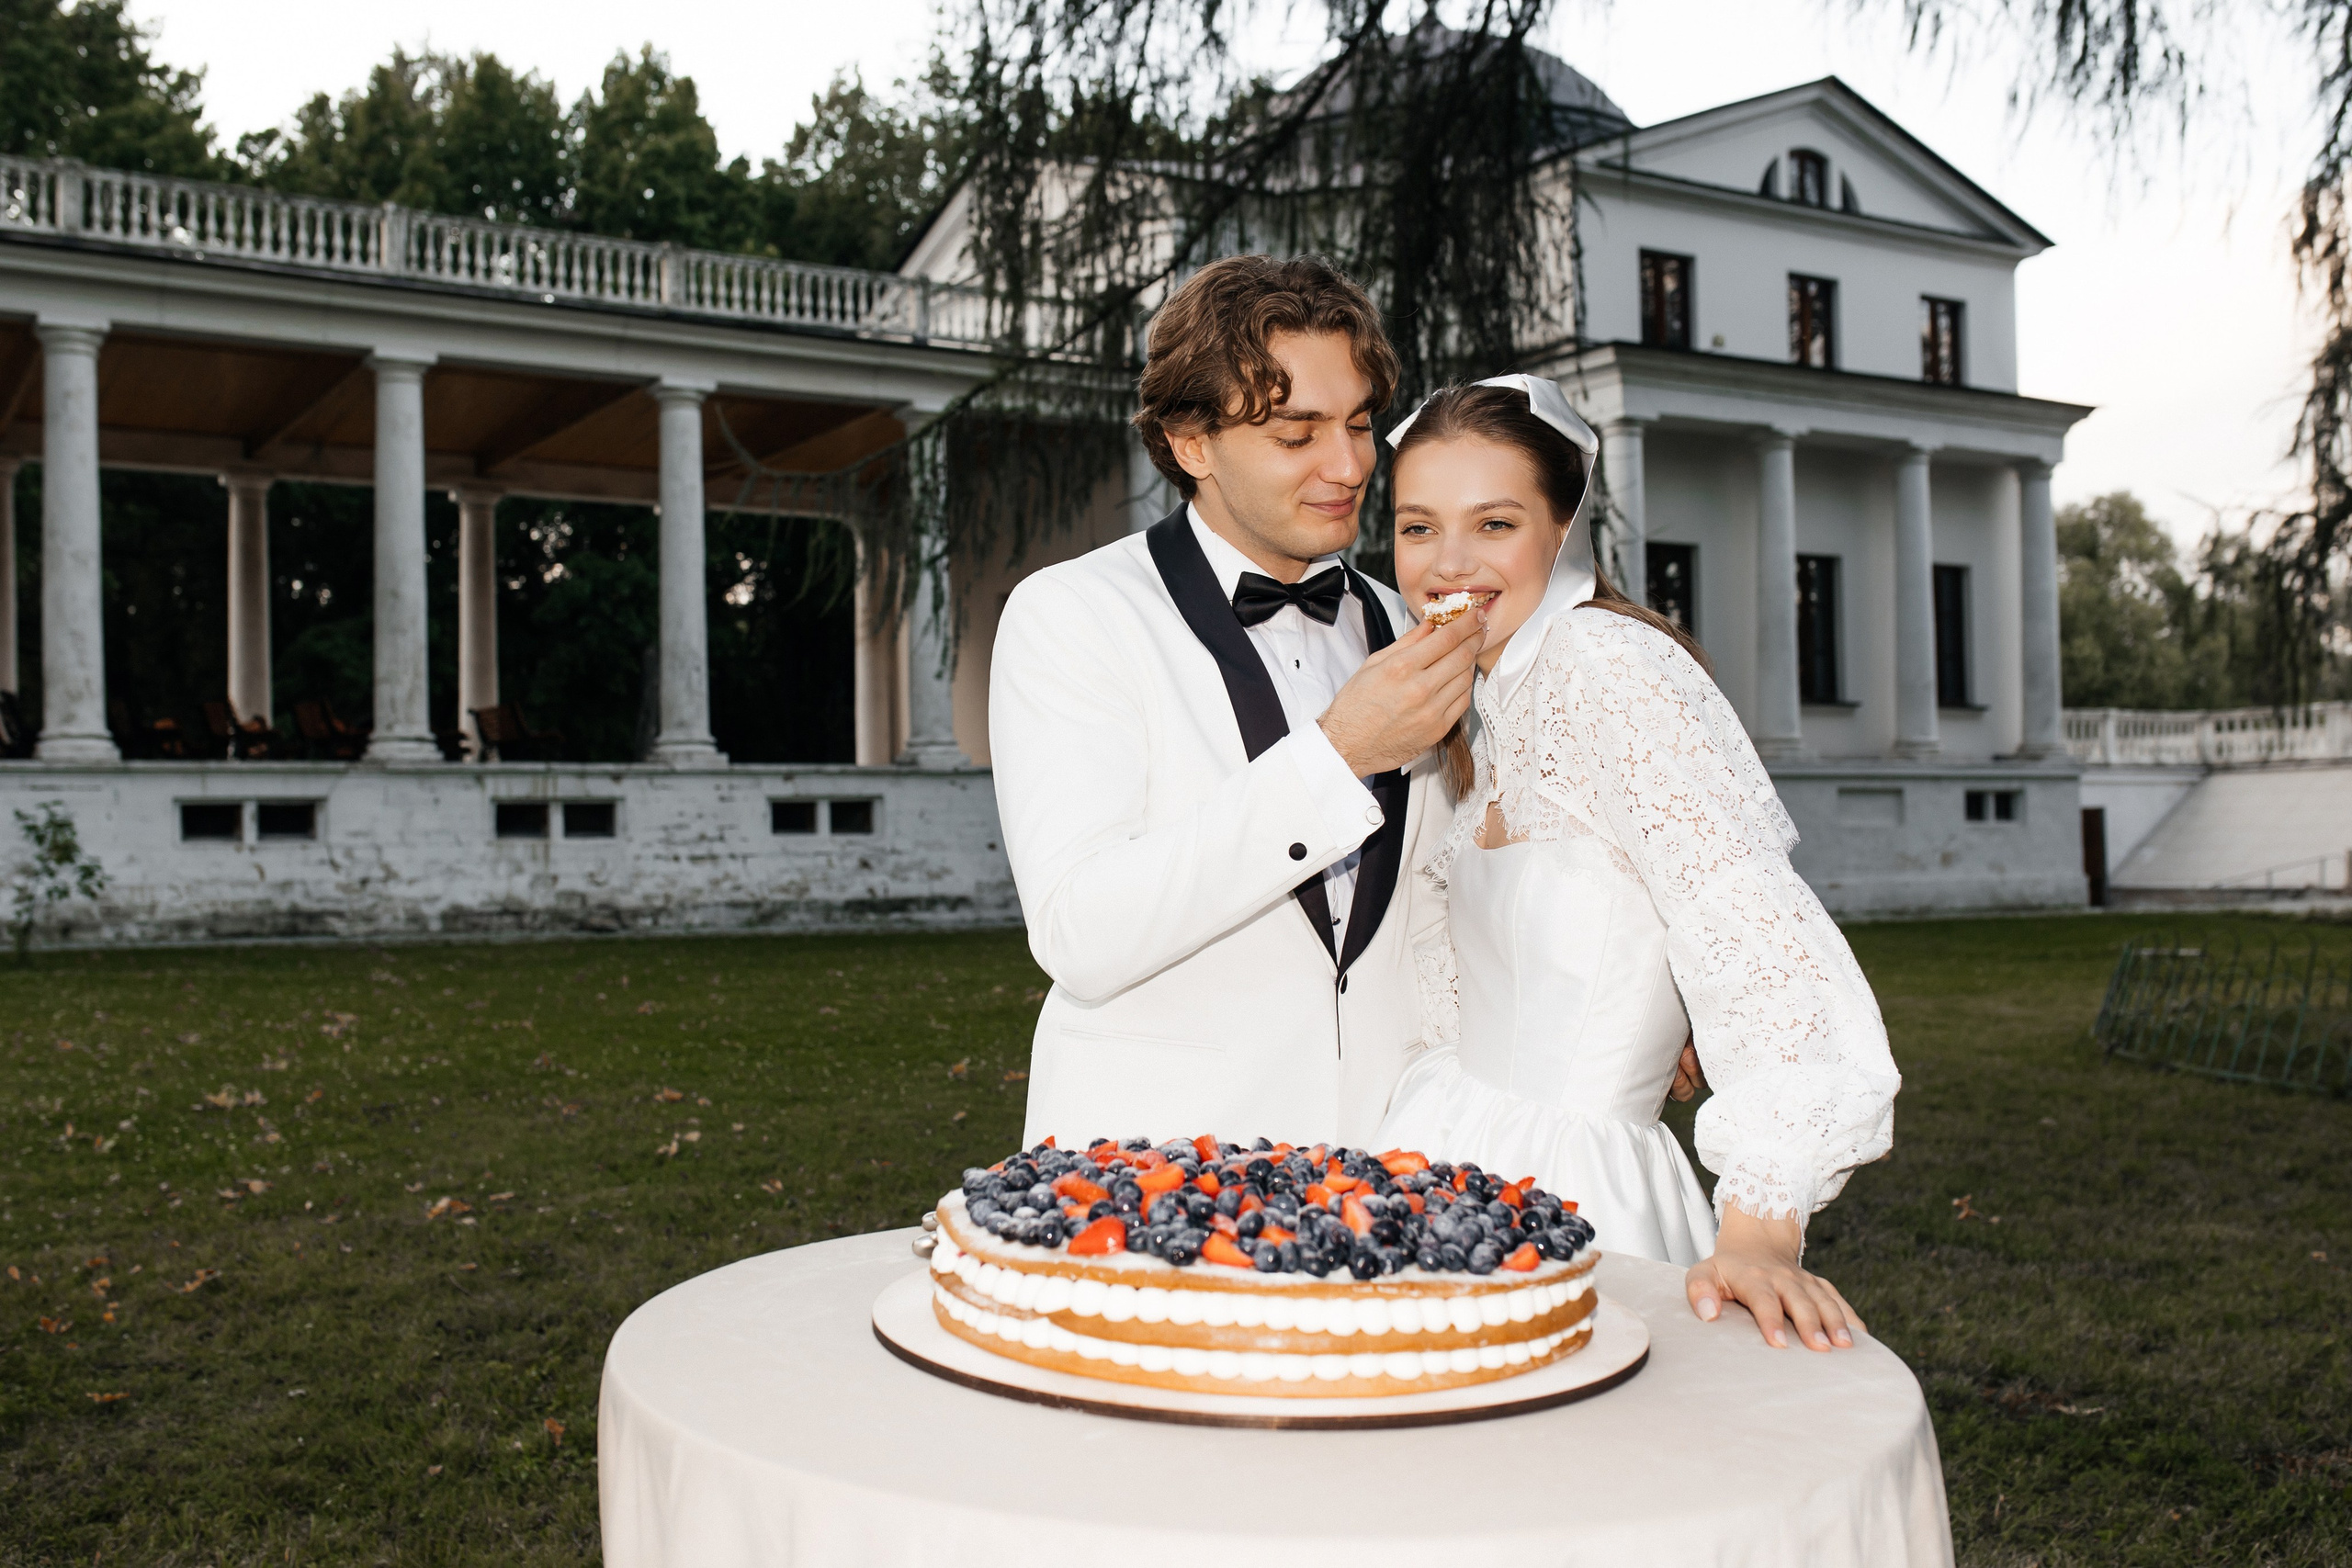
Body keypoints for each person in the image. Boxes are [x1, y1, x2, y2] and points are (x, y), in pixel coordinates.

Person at [1374, 376, 1903, 1352]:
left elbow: (1750, 926)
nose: (1447, 562)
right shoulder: (1488, 704)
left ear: (1564, 528)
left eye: (1494, 524)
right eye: (1417, 528)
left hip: (1576, 1187)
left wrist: (1759, 1231)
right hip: (1446, 1146)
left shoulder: (1610, 666)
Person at [988, 254, 1483, 1148]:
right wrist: (1336, 756)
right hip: (1155, 1170)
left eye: (1360, 424)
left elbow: (1455, 899)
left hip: (1387, 1161)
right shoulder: (1072, 614)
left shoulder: (1408, 622)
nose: (1349, 465)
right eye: (1297, 435)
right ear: (1192, 443)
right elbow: (1081, 933)